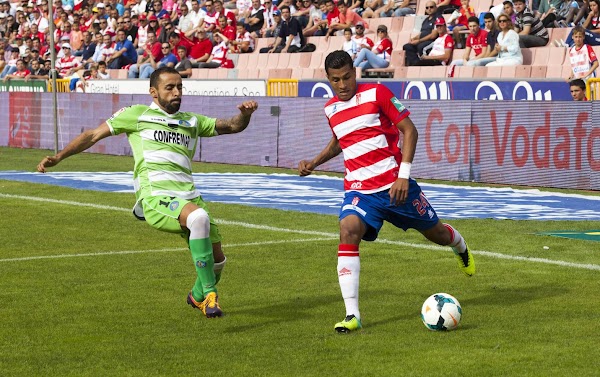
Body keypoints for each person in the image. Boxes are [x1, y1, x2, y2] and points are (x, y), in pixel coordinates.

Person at [37, 67, 259, 319]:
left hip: (190, 197)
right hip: (156, 196)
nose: (177, 92)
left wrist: (245, 115)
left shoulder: (191, 121)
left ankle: (196, 296)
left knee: (218, 259)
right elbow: (92, 135)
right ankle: (210, 295)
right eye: (170, 88)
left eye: (179, 87)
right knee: (199, 219)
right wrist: (59, 157)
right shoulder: (136, 115)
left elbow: (232, 125)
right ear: (153, 92)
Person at [298, 50, 475, 333]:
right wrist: (314, 162)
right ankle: (352, 315)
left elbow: (410, 130)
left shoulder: (378, 93)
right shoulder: (330, 109)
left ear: (355, 73)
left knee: (438, 234)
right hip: (360, 190)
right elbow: (341, 141)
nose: (342, 85)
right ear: (328, 80)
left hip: (396, 188)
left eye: (346, 77)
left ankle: (460, 246)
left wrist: (402, 177)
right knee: (348, 230)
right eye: (335, 80)